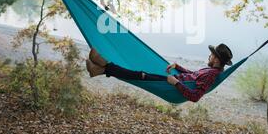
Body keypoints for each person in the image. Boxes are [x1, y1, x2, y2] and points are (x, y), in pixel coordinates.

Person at [85, 43, 233, 102]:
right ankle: (100, 69)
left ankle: (105, 65)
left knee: (139, 76)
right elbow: (193, 76)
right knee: (140, 74)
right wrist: (178, 66)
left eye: (212, 55)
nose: (210, 56)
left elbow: (195, 97)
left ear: (217, 59)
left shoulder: (211, 74)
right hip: (173, 80)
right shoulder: (210, 71)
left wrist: (176, 83)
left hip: (173, 86)